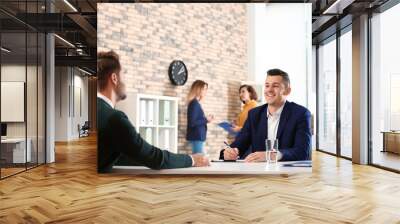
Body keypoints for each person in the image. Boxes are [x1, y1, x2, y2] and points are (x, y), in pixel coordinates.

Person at [97, 51, 209, 173]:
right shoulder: (115, 118)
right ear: (114, 78)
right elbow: (154, 158)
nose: (126, 82)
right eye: (124, 75)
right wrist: (192, 159)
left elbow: (123, 156)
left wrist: (144, 157)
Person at [222, 69, 312, 162]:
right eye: (267, 85)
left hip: (288, 174)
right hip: (258, 173)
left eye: (275, 86)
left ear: (287, 91)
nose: (269, 89)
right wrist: (230, 152)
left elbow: (303, 152)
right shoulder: (254, 114)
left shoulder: (301, 114)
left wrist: (272, 155)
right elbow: (239, 144)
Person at [186, 80, 214, 154]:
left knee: (199, 160)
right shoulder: (194, 104)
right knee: (200, 160)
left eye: (206, 89)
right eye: (204, 89)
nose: (205, 91)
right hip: (197, 137)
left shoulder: (196, 103)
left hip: (198, 137)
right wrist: (206, 120)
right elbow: (192, 123)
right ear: (198, 89)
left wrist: (206, 119)